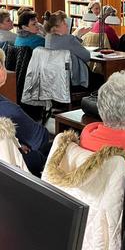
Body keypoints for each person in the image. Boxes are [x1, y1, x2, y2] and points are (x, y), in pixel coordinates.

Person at [0, 48, 50, 176]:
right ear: (1, 72)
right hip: (19, 175)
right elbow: (41, 140)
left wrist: (15, 142)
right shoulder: (10, 110)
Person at [44, 10, 94, 88]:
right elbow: (87, 56)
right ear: (55, 28)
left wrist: (78, 36)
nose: (67, 25)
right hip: (74, 81)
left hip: (55, 80)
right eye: (64, 23)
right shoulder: (68, 39)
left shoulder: (48, 38)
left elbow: (67, 45)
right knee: (101, 79)